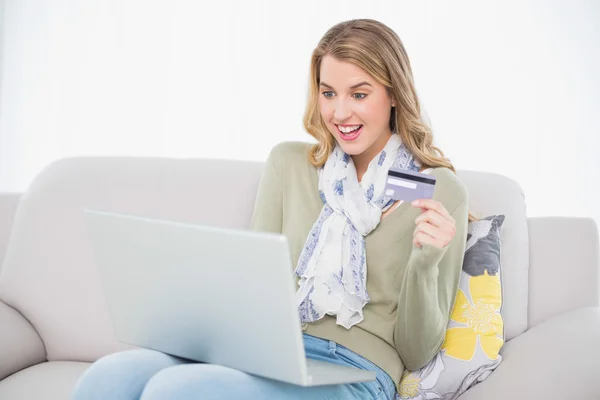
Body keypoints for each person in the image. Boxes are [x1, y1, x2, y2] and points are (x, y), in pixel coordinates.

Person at [71, 18, 473, 400]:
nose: (339, 113)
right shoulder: (290, 165)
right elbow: (253, 287)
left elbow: (417, 352)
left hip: (360, 370)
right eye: (328, 92)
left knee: (177, 391)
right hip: (270, 354)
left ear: (394, 96)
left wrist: (425, 263)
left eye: (360, 94)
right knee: (110, 376)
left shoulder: (439, 190)